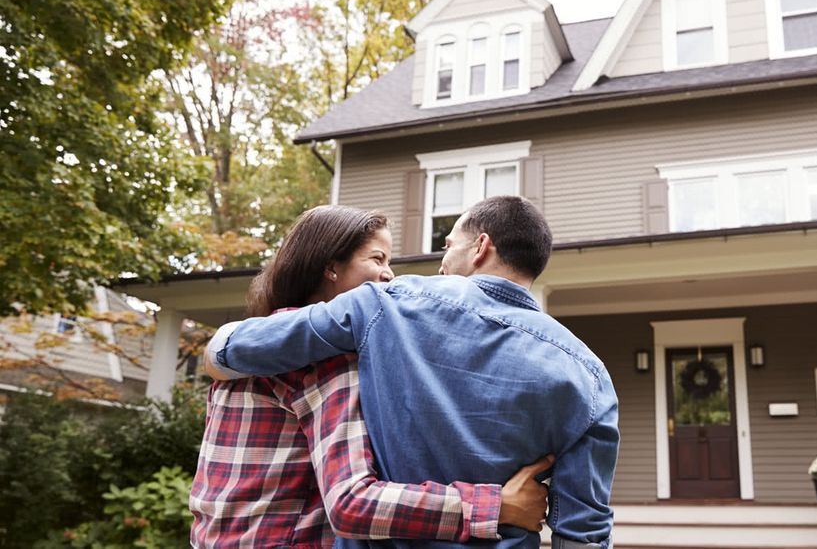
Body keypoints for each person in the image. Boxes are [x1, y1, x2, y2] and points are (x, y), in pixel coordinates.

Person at [206, 196, 619, 549]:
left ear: (480, 247)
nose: (440, 262)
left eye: (448, 246)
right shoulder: (590, 375)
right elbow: (583, 529)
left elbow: (244, 346)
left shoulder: (386, 305)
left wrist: (216, 352)